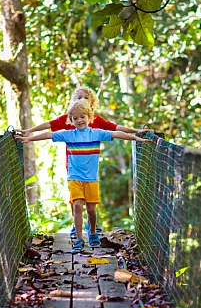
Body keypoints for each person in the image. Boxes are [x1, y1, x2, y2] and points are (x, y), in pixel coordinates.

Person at [17, 99, 150, 252]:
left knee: (91, 210)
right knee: (77, 205)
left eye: (83, 117)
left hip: (91, 179)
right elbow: (48, 134)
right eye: (75, 118)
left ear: (89, 117)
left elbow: (117, 133)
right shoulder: (69, 135)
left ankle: (92, 232)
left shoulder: (96, 133)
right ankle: (79, 239)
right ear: (71, 120)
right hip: (74, 177)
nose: (79, 120)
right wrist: (28, 138)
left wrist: (135, 137)